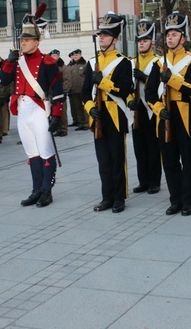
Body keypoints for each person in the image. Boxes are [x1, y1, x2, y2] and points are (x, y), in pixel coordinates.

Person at [0, 5, 64, 207]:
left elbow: (59, 89)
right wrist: (8, 62)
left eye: (27, 40)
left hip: (39, 108)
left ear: (36, 42)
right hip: (22, 108)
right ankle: (36, 189)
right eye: (22, 40)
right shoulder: (17, 61)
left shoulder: (47, 61)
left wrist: (57, 114)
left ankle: (47, 190)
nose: (23, 43)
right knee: (32, 152)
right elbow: (3, 80)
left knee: (45, 151)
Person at [145, 12, 191, 216]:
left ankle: (187, 200)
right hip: (165, 115)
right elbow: (149, 93)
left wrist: (172, 80)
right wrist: (159, 111)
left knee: (186, 160)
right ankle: (174, 199)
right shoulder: (157, 63)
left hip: (185, 114)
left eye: (174, 34)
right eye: (168, 34)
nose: (170, 38)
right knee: (168, 160)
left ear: (183, 38)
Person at [83, 12, 134, 213]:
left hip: (115, 115)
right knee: (103, 161)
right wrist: (90, 109)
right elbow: (85, 92)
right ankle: (107, 197)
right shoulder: (91, 62)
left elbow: (124, 89)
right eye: (100, 34)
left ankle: (119, 198)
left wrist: (102, 82)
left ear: (115, 39)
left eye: (105, 34)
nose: (101, 37)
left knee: (116, 159)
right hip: (98, 116)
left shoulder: (123, 62)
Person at [129, 19, 162, 195]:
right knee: (139, 147)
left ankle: (154, 181)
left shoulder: (158, 61)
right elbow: (127, 86)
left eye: (145, 40)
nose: (142, 43)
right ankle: (143, 180)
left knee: (153, 146)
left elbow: (161, 86)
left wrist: (144, 77)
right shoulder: (132, 62)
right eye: (140, 41)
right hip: (137, 109)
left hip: (152, 108)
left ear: (153, 42)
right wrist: (129, 100)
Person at [48, 49, 69, 137]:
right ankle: (58, 128)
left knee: (62, 111)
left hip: (60, 93)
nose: (54, 57)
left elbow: (67, 80)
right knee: (53, 112)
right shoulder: (49, 66)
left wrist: (64, 91)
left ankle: (64, 129)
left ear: (58, 56)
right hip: (51, 93)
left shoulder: (63, 67)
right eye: (52, 56)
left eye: (55, 56)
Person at [67, 49, 89, 131]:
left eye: (77, 55)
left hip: (82, 90)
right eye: (74, 55)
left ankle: (87, 123)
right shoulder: (71, 66)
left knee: (84, 108)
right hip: (74, 90)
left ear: (80, 55)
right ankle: (81, 123)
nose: (75, 57)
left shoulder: (85, 65)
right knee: (77, 108)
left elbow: (87, 78)